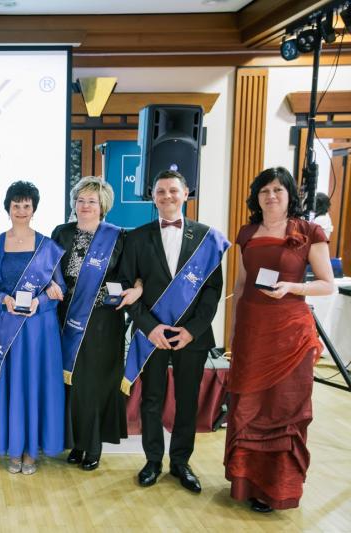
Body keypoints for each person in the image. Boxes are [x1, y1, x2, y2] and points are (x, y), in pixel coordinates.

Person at [225, 167, 334, 513]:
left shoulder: (308, 232)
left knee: (282, 408)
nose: (271, 196)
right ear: (256, 197)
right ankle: (245, 481)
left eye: (278, 190)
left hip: (290, 335)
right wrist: (233, 330)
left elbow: (327, 284)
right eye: (264, 191)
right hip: (252, 332)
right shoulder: (247, 233)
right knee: (248, 406)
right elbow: (241, 285)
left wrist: (293, 287)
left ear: (290, 195)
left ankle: (276, 489)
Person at [120, 169, 228, 493]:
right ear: (152, 197)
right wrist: (149, 328)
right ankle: (153, 460)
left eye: (173, 190)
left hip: (191, 337)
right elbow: (127, 288)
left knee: (187, 400)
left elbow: (213, 291)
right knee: (151, 399)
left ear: (185, 194)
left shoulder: (207, 238)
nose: (167, 196)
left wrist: (192, 331)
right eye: (160, 191)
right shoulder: (136, 238)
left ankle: (181, 462)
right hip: (151, 335)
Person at [48, 176, 141, 471]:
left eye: (92, 201)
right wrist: (50, 284)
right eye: (81, 200)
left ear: (103, 206)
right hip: (65, 316)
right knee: (72, 380)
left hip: (101, 320)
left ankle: (94, 444)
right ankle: (76, 442)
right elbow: (47, 268)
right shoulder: (61, 233)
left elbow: (127, 277)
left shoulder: (118, 237)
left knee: (95, 383)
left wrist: (98, 296)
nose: (85, 205)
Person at [0, 181, 66, 475]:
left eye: (26, 205)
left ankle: (31, 451)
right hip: (7, 323)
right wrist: (2, 299)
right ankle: (13, 448)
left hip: (39, 329)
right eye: (15, 205)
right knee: (10, 384)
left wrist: (41, 301)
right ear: (8, 208)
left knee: (34, 385)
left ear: (34, 209)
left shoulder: (48, 247)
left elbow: (60, 289)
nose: (20, 210)